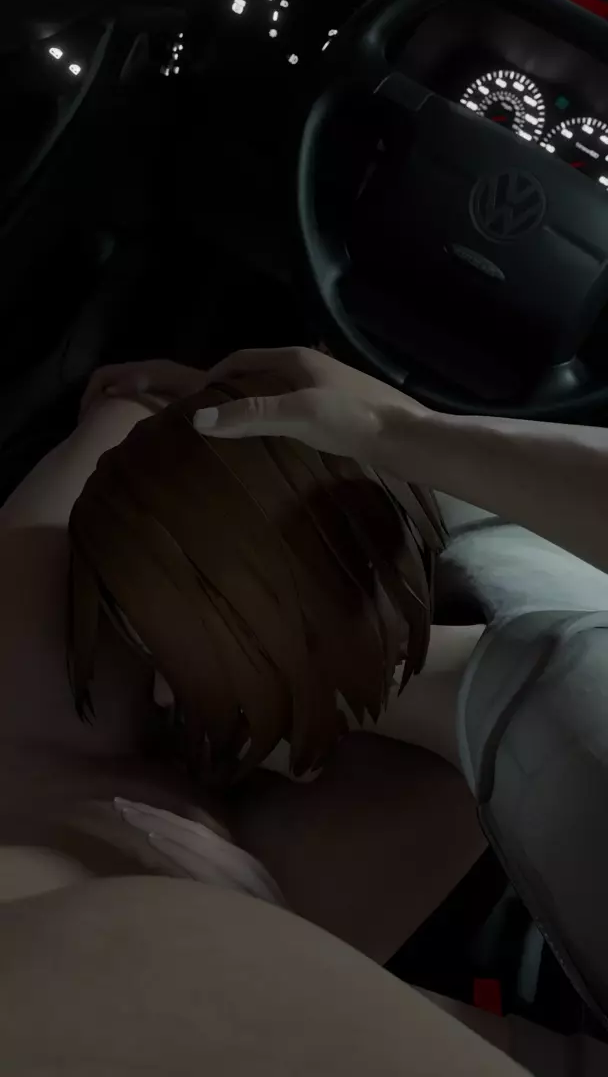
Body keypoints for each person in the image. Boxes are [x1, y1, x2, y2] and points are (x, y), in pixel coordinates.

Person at [1, 346, 608, 1072]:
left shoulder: (557, 773)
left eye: (171, 662)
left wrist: (271, 955)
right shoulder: (491, 537)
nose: (161, 695)